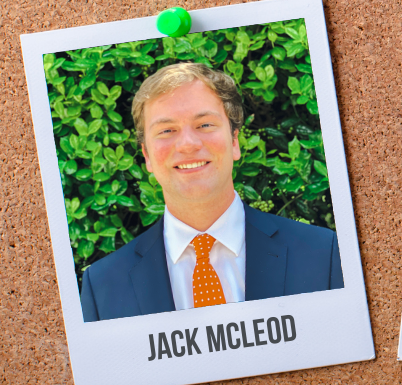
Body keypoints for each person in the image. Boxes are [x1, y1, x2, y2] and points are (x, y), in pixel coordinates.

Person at [79, 63, 342, 322]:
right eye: (167, 130)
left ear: (235, 142)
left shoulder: (323, 254)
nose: (188, 144)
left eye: (204, 125)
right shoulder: (102, 286)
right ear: (147, 156)